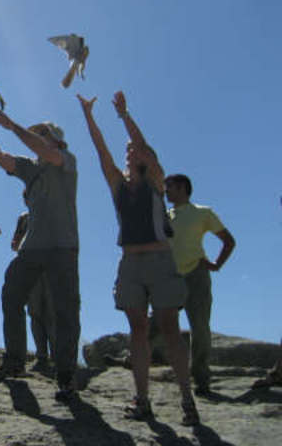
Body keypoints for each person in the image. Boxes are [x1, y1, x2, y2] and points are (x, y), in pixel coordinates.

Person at [78, 91, 199, 425]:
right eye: (128, 150)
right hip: (130, 264)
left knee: (170, 328)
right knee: (137, 330)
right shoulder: (118, 184)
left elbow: (144, 146)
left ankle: (187, 398)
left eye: (135, 151)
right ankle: (142, 400)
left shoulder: (157, 183)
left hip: (160, 261)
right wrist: (89, 116)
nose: (130, 151)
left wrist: (124, 116)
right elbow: (101, 150)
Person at [0, 109, 80, 401]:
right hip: (32, 247)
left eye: (42, 133)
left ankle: (66, 376)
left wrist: (12, 126)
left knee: (65, 310)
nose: (37, 138)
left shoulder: (65, 161)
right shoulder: (30, 168)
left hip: (62, 246)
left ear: (56, 141)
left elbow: (42, 148)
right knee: (11, 296)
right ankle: (15, 362)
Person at [164, 173, 236, 396]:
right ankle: (131, 359)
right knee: (154, 322)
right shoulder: (165, 216)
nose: (166, 191)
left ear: (183, 188)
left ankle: (201, 378)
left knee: (200, 327)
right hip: (170, 277)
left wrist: (216, 264)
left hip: (196, 274)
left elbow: (228, 241)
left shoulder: (203, 213)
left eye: (170, 187)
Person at [12, 195, 56, 371]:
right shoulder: (24, 219)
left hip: (51, 269)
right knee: (35, 312)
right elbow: (14, 243)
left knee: (52, 313)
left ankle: (57, 357)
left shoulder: (53, 214)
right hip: (30, 268)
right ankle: (41, 356)